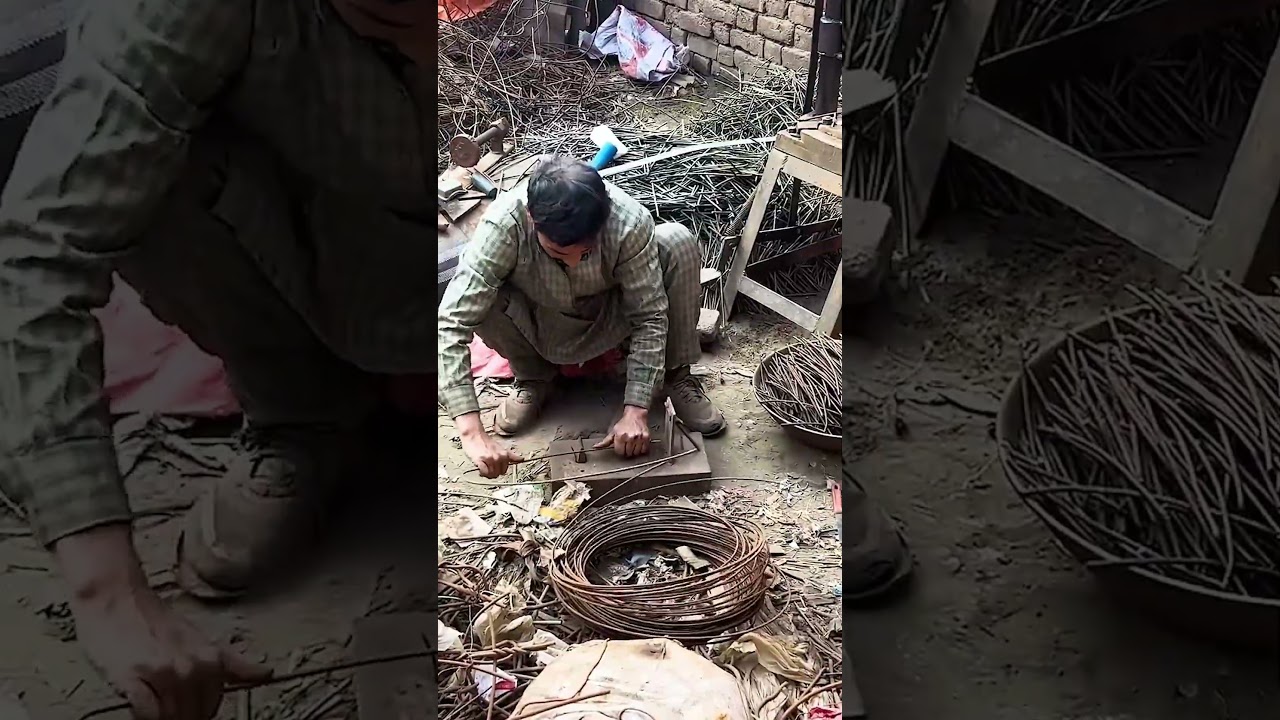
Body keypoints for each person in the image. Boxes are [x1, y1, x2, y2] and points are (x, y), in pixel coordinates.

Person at [0, 1, 435, 718]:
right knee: (135, 174)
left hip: (446, 290)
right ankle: (303, 416)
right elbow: (39, 249)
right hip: (324, 260)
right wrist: (107, 592)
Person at [438, 155, 726, 477]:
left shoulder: (627, 220)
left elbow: (649, 316)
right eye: (559, 253)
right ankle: (534, 378)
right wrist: (472, 433)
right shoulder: (504, 225)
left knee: (676, 240)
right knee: (476, 295)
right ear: (532, 218)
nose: (575, 262)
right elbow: (450, 323)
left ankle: (674, 376)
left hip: (610, 317)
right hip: (542, 322)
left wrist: (637, 409)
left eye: (586, 252)